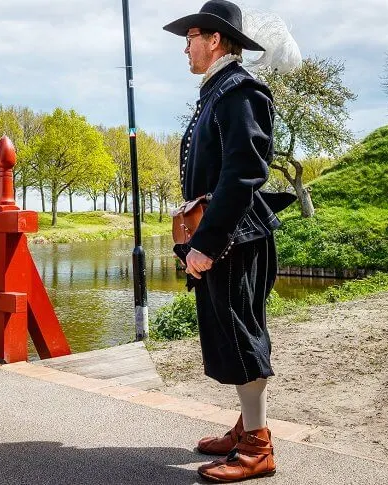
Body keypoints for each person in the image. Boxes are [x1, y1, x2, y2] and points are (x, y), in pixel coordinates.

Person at [163, 1, 299, 482]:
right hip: (229, 235)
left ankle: (258, 448)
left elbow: (243, 173)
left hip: (236, 237)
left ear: (215, 40)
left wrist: (208, 241)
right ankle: (247, 427)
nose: (186, 47)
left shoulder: (239, 91)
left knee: (241, 336)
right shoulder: (219, 91)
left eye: (191, 37)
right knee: (235, 332)